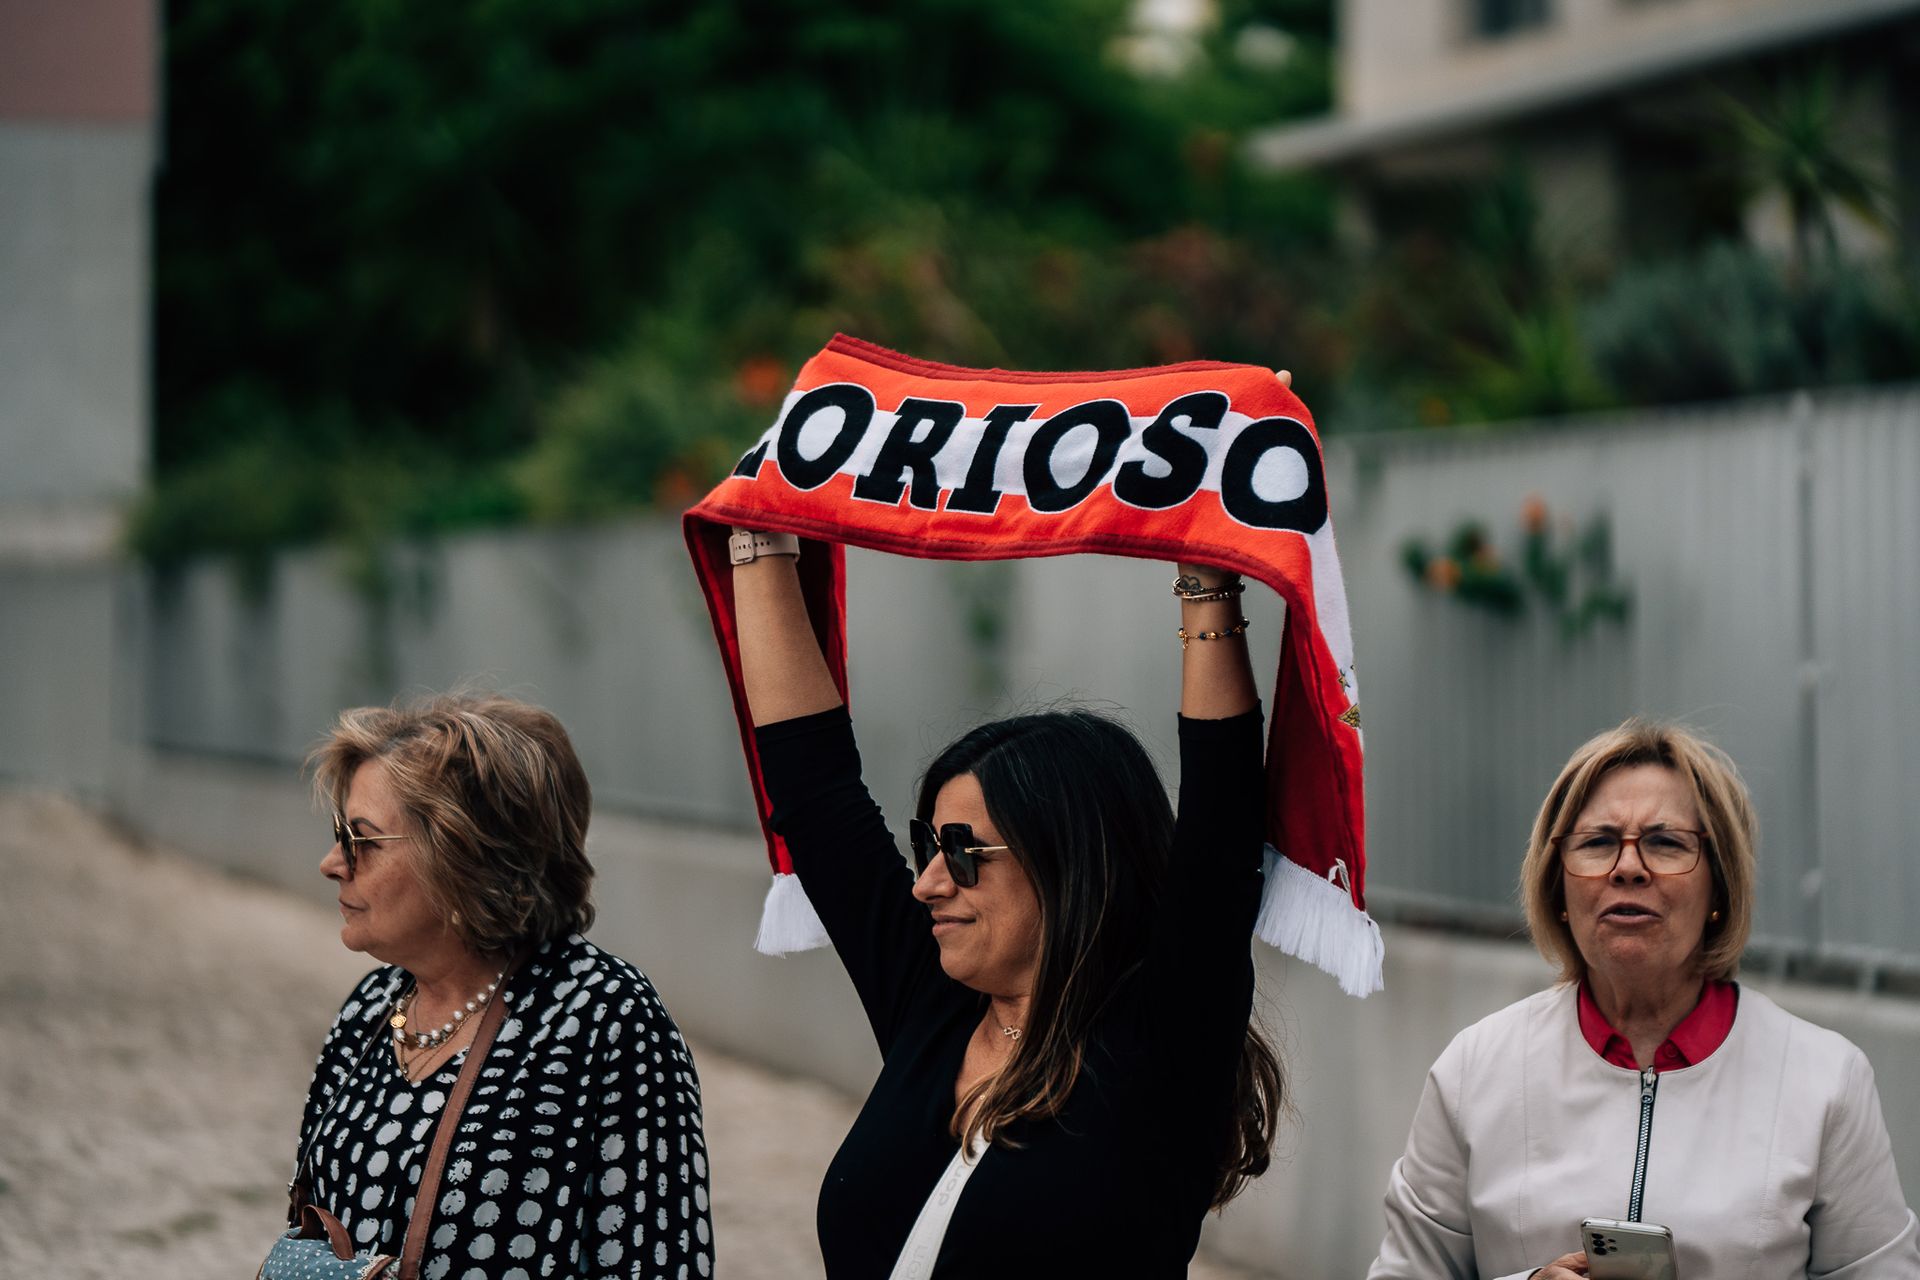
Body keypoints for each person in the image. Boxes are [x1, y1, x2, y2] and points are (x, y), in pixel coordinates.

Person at [730, 530, 1284, 1278]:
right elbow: (813, 790)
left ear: (1071, 864)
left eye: (963, 853)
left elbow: (1221, 827)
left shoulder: (1161, 1043)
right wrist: (758, 538)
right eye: (927, 847)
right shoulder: (934, 1006)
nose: (928, 881)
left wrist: (1204, 578)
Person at [1369, 718, 1920, 1279]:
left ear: (1719, 887)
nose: (1628, 867)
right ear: (1559, 888)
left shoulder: (1824, 1080)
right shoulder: (1475, 1069)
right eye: (1598, 842)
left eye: (1665, 842)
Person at [295, 692, 712, 1279]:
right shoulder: (372, 1007)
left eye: (361, 838)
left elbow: (656, 1262)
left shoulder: (605, 1019)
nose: (333, 862)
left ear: (463, 852)